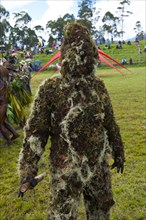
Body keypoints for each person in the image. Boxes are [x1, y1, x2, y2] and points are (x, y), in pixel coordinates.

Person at [18, 22, 125, 220]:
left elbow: (109, 123)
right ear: (66, 53)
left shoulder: (98, 87)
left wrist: (118, 151)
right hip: (65, 169)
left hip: (97, 165)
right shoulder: (51, 88)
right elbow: (36, 133)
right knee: (62, 215)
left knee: (100, 212)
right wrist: (28, 167)